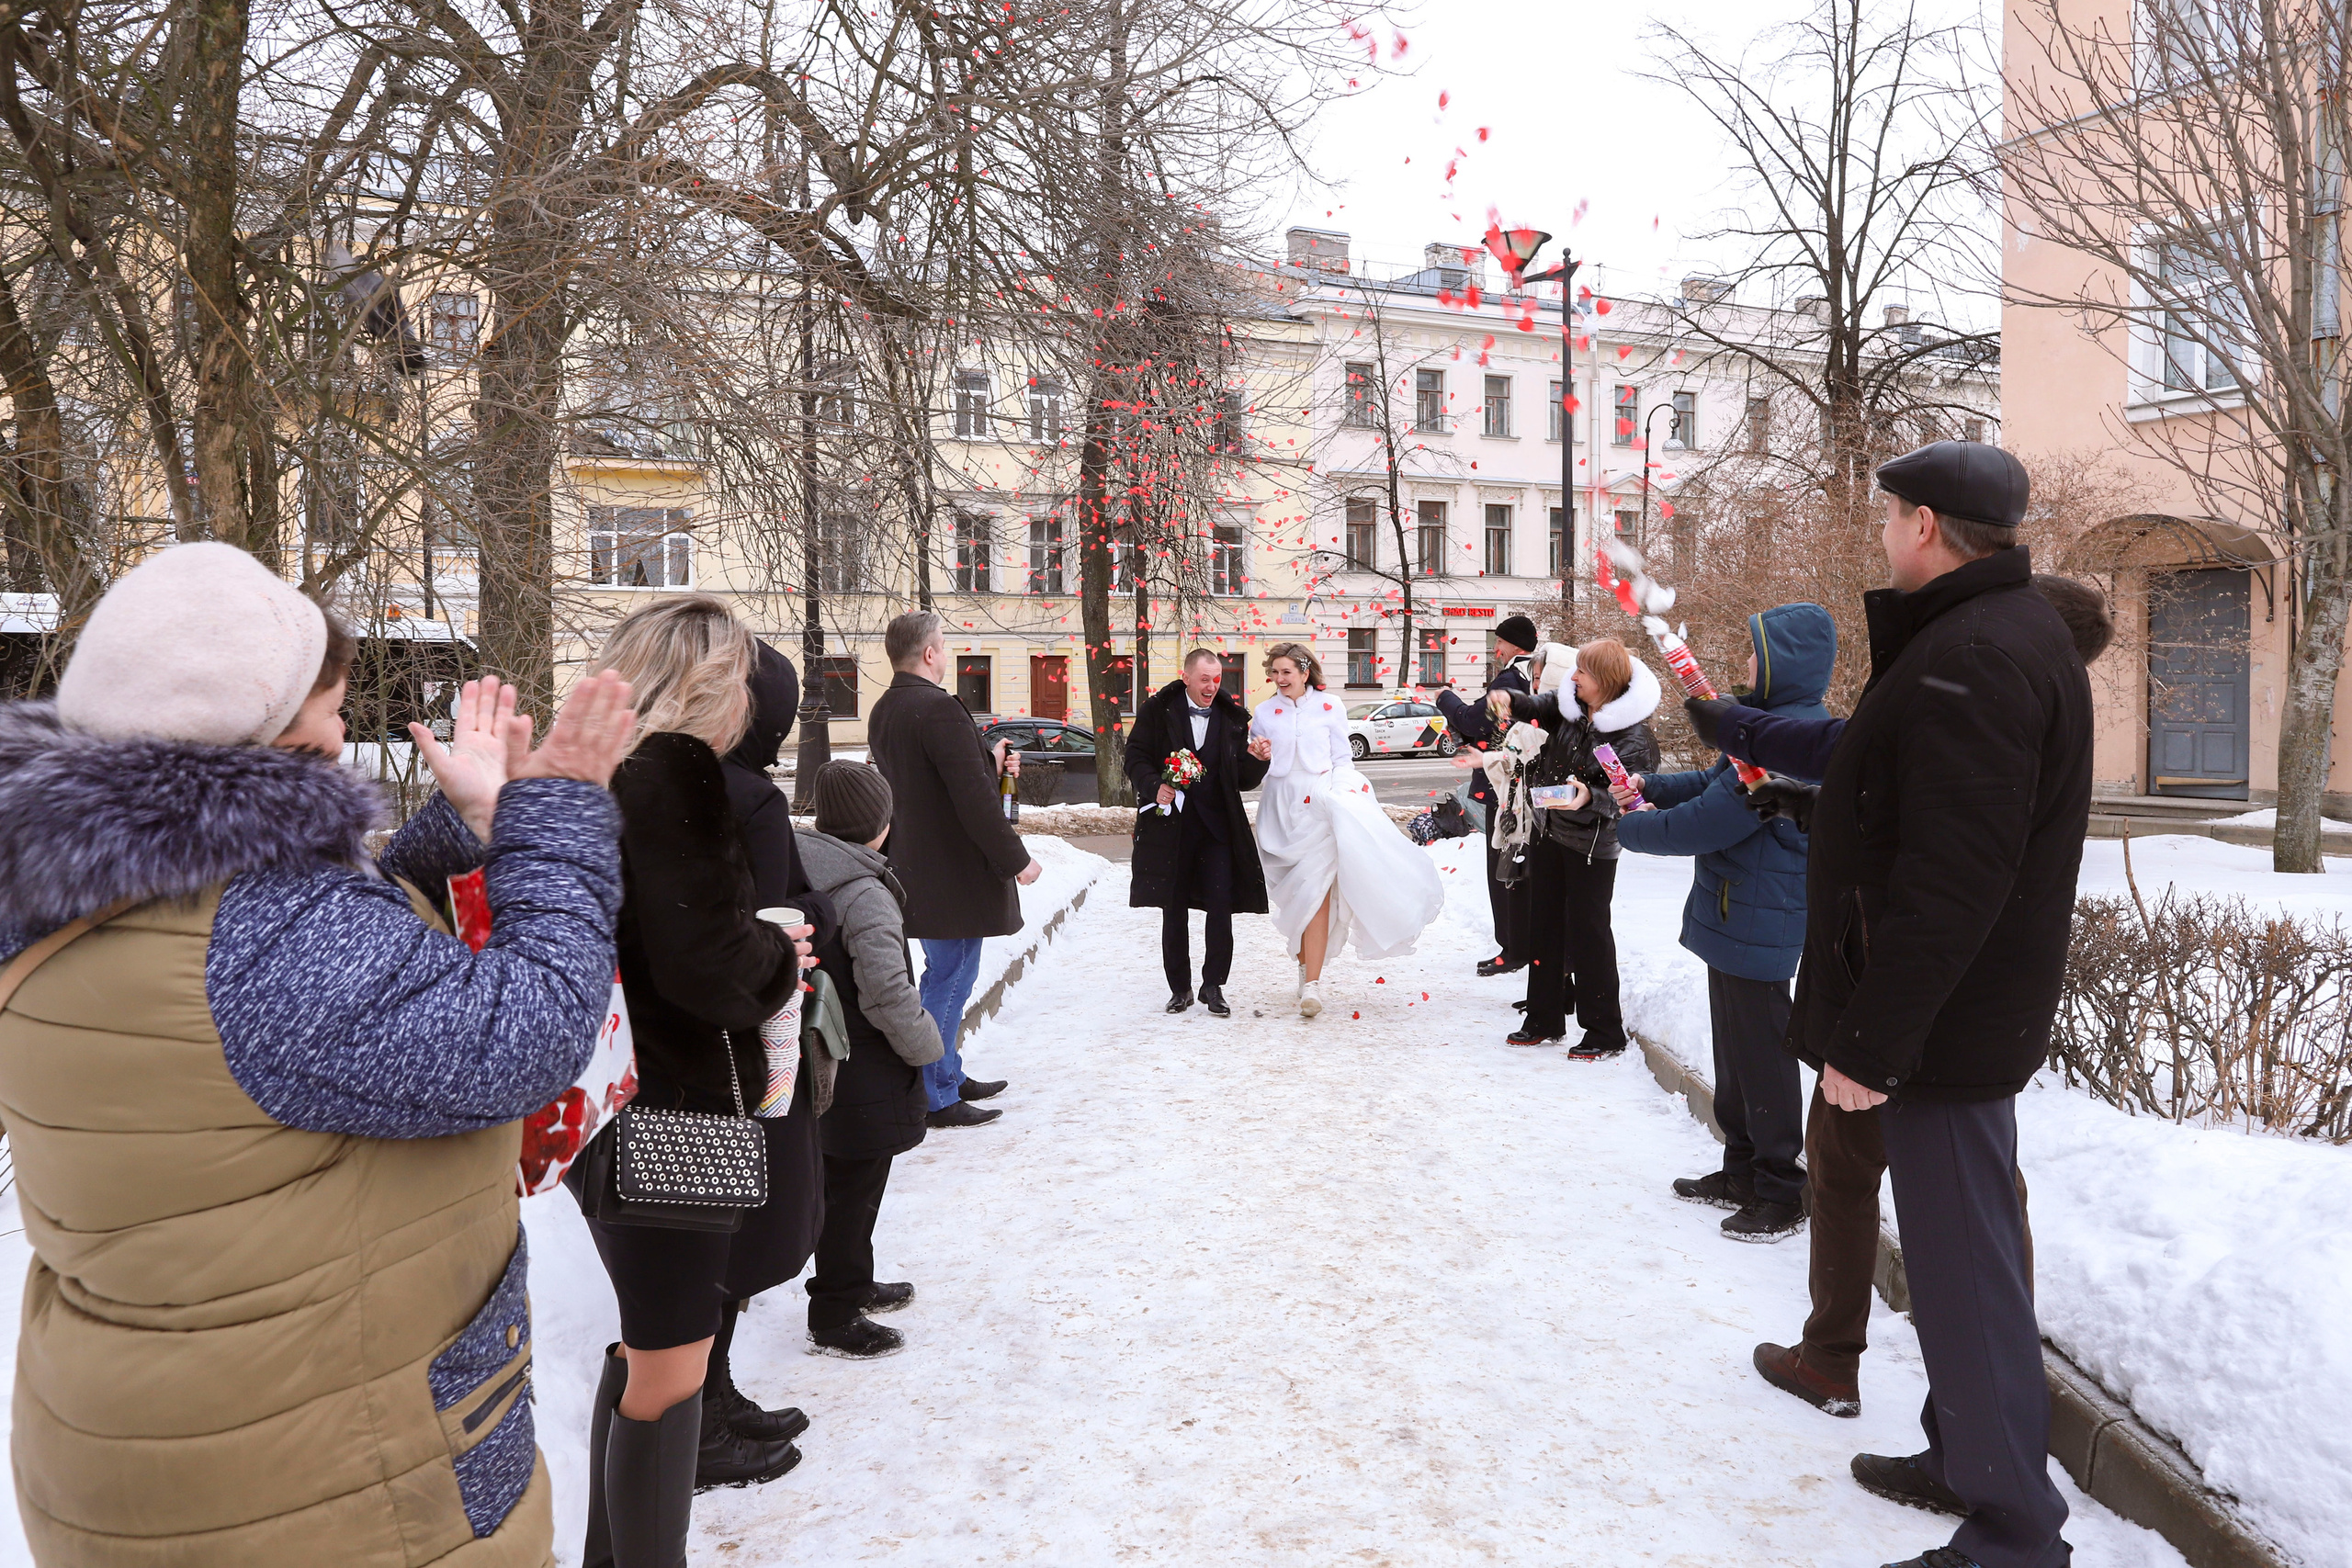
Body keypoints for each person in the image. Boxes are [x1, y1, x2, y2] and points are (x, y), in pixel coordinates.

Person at [0, 541, 635, 1566]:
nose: (346, 735)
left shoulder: (82, 886)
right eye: (332, 710)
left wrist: (460, 833)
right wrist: (554, 818)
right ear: (261, 735)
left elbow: (324, 997)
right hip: (331, 1486)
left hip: (157, 1443)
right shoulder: (262, 937)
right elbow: (523, 1033)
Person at [1765, 441, 2091, 1568]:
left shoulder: (1981, 653)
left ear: (1925, 526)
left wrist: (1874, 1039)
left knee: (1964, 1278)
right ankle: (1963, 1455)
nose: (1882, 532)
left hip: (1943, 1030)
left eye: (1889, 514)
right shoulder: (1986, 635)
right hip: (1956, 1019)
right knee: (1970, 1263)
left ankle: (2011, 1530)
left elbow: (1955, 878)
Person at [1718, 577, 2111, 1444]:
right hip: (1914, 997)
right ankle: (1898, 1391)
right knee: (1925, 1190)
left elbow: (1946, 868)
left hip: (1910, 999)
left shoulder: (1992, 687)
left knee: (1955, 1209)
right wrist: (1815, 806)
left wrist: (1868, 1036)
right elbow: (1904, 811)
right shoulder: (2030, 690)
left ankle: (1940, 1414)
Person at [576, 596, 820, 1566]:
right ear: (713, 682)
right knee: (669, 1372)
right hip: (678, 1111)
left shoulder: (599, 771)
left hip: (617, 1104)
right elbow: (706, 965)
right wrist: (779, 949)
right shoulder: (672, 772)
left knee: (650, 1355)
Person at [1614, 604, 1837, 1245]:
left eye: (1753, 652)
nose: (1742, 663)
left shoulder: (1794, 739)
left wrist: (1630, 825)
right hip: (1734, 910)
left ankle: (1780, 1191)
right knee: (1736, 1057)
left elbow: (1708, 822)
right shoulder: (1767, 726)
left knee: (1762, 1060)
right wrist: (1651, 786)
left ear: (1783, 662)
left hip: (1760, 918)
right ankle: (1741, 1170)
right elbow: (1707, 783)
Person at [705, 639, 841, 1475]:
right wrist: (813, 916)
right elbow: (782, 904)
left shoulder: (669, 781)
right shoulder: (745, 793)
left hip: (712, 1044)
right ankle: (702, 1418)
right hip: (747, 1048)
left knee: (712, 1236)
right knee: (725, 1233)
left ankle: (715, 1394)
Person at [796, 761, 945, 1358]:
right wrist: (926, 1047)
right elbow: (887, 993)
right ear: (878, 825)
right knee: (854, 1190)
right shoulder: (864, 893)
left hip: (823, 1058)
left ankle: (851, 1280)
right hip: (865, 1069)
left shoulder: (804, 864)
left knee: (842, 1185)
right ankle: (834, 1312)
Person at [866, 610, 1037, 1128]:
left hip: (916, 867)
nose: (946, 651)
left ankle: (947, 1071)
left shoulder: (885, 709)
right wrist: (1017, 860)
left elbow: (929, 783)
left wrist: (989, 758)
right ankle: (936, 1092)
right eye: (943, 643)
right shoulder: (938, 708)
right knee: (949, 980)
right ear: (929, 653)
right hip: (953, 873)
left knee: (943, 977)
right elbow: (972, 800)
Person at [1251, 642, 1445, 1018]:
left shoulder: (1330, 706)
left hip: (1320, 806)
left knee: (1318, 893)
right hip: (1279, 808)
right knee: (1294, 898)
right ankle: (1304, 963)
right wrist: (1256, 752)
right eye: (1274, 672)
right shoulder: (1264, 711)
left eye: (1286, 672)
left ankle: (1313, 984)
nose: (1279, 679)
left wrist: (1339, 794)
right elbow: (1258, 756)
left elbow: (1343, 758)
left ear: (1305, 672)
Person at [1492, 638, 1661, 1055]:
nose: (1574, 677)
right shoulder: (1568, 707)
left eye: (1583, 671)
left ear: (1603, 681)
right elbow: (1533, 706)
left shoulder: (1633, 737)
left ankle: (1605, 1031)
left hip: (1593, 847)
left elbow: (1629, 799)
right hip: (1551, 831)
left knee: (1589, 936)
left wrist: (1592, 797)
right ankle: (1544, 1019)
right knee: (1543, 927)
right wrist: (1507, 698)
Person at [1126, 647, 1272, 1016]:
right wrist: (1153, 784)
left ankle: (1213, 986)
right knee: (1173, 909)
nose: (1212, 686)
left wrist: (1256, 761)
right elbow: (1136, 757)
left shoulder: (1233, 717)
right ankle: (1180, 989)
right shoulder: (1157, 710)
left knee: (1220, 907)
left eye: (1217, 678)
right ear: (1186, 677)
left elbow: (1240, 779)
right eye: (1204, 679)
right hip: (1171, 829)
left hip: (1219, 829)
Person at [1434, 614, 1539, 976]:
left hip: (1504, 784)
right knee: (1515, 867)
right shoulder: (1528, 676)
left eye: (1500, 642)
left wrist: (1444, 698)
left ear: (1514, 645)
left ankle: (1512, 948)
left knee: (1503, 868)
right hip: (1518, 782)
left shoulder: (1510, 679)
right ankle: (1518, 945)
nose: (1496, 648)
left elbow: (1472, 720)